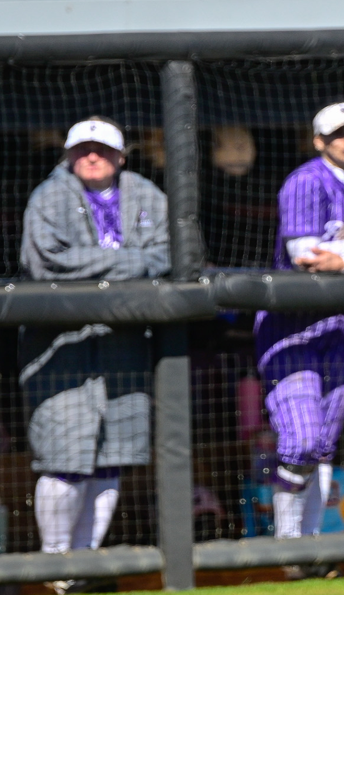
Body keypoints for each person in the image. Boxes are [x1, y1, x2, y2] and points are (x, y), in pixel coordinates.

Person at [16, 117, 168, 581]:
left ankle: (84, 563)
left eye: (101, 149)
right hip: (61, 344)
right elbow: (46, 262)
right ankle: (57, 562)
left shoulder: (146, 194)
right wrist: (130, 262)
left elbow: (170, 255)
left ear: (122, 156)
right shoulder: (49, 195)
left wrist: (105, 268)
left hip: (123, 343)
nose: (92, 156)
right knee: (64, 458)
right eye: (82, 149)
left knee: (112, 456)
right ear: (68, 154)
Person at [256, 102, 344, 541]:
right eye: (339, 134)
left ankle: (311, 547)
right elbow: (307, 257)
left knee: (320, 447)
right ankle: (286, 544)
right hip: (292, 328)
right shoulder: (304, 181)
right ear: (319, 141)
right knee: (300, 441)